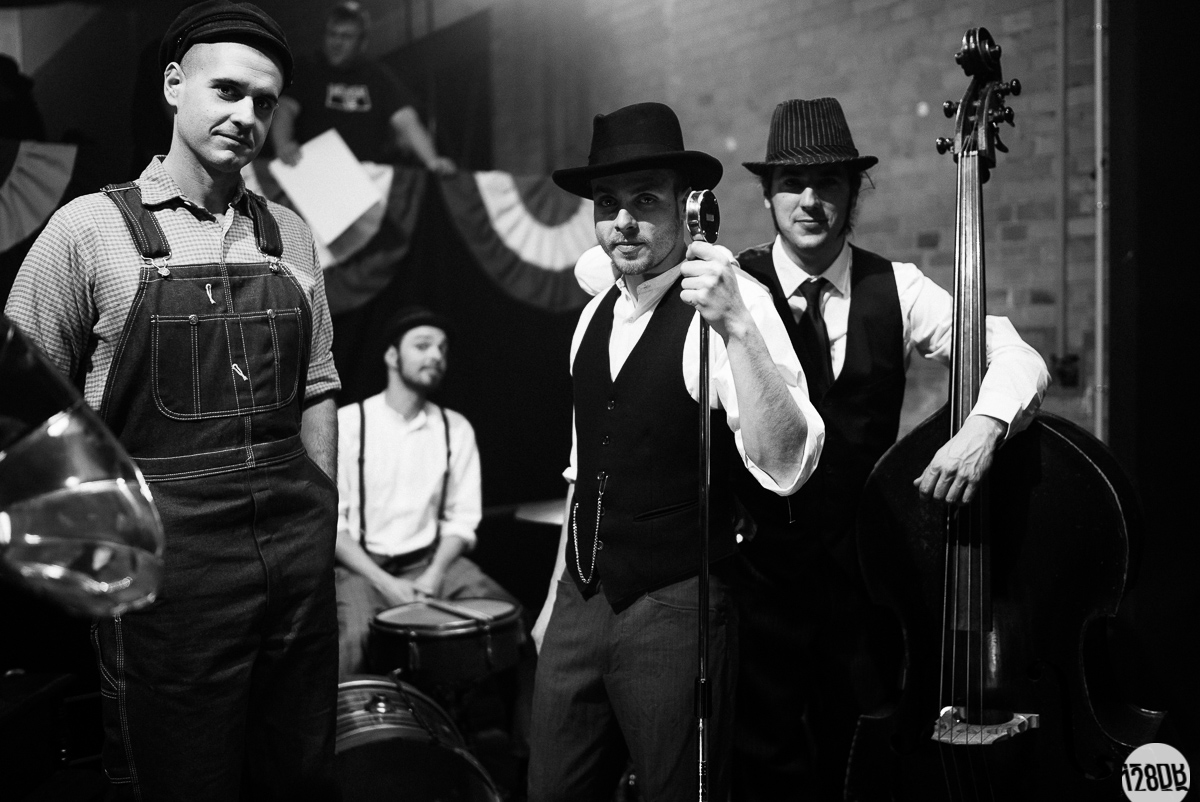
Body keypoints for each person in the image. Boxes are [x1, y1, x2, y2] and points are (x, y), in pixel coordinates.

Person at [4, 2, 342, 799]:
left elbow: (319, 386)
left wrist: (321, 518)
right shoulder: (89, 229)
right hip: (167, 587)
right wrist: (100, 567)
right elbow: (17, 408)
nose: (247, 115)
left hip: (295, 577)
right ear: (172, 85)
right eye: (228, 90)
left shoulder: (290, 234)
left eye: (264, 101)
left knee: (295, 779)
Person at [729, 98, 1051, 800]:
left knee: (861, 766)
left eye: (829, 183)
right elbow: (603, 275)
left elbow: (1016, 355)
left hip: (864, 587)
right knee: (761, 772)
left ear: (854, 192)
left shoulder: (896, 287)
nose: (810, 201)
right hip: (756, 585)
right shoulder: (735, 285)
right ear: (766, 194)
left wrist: (984, 426)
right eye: (791, 183)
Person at [527, 101, 825, 802]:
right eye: (608, 204)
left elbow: (787, 464)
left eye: (645, 201)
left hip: (675, 607)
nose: (623, 222)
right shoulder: (592, 315)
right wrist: (552, 601)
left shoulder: (730, 305)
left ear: (688, 207)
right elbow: (582, 472)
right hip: (579, 598)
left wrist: (738, 327)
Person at [334, 305, 518, 679]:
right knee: (353, 641)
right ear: (392, 356)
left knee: (506, 621)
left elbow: (462, 520)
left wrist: (433, 575)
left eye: (442, 348)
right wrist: (387, 584)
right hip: (363, 567)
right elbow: (333, 526)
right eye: (422, 345)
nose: (435, 355)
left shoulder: (455, 428)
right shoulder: (349, 424)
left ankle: (498, 719)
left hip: (431, 563)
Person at [269, 0, 455, 172]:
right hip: (315, 173)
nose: (337, 42)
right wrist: (283, 144)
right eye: (332, 34)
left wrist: (432, 160)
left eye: (346, 36)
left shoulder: (377, 76)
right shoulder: (309, 69)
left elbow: (406, 120)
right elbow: (285, 108)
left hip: (365, 178)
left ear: (362, 43)